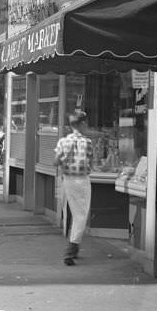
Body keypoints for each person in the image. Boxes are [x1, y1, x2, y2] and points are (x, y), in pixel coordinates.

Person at [53, 110, 95, 266]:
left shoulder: (63, 141)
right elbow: (91, 163)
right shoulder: (88, 142)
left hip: (67, 180)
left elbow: (55, 161)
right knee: (81, 215)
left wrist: (66, 159)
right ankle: (71, 250)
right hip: (82, 180)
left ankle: (74, 248)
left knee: (73, 212)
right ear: (82, 124)